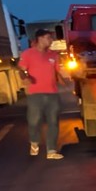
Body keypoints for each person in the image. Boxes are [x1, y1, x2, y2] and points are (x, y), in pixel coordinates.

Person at [18, 28, 64, 160]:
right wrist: (25, 78)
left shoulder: (53, 55)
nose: (51, 40)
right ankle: (34, 141)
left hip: (52, 93)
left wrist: (67, 79)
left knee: (53, 122)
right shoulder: (28, 54)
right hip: (35, 93)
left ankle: (51, 151)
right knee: (34, 121)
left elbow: (58, 72)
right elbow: (21, 70)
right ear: (40, 38)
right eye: (49, 38)